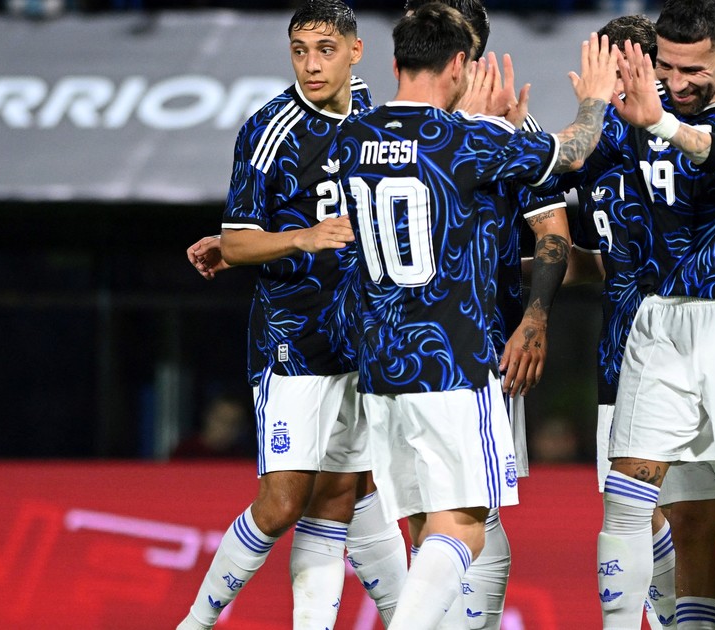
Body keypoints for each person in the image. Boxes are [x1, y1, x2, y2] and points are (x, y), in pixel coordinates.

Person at [328, 6, 619, 627]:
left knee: (425, 525)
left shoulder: (351, 136)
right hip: (453, 360)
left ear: (396, 61)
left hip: (380, 362)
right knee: (465, 527)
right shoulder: (467, 139)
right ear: (459, 63)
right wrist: (594, 99)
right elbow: (574, 151)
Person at [534, 1, 715, 626]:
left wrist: (661, 123)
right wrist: (533, 118)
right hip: (661, 321)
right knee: (627, 500)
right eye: (667, 66)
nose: (678, 81)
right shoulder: (642, 106)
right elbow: (568, 161)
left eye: (693, 69)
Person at [176, 2, 407, 628]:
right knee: (282, 504)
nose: (311, 64)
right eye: (300, 51)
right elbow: (237, 242)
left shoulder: (375, 117)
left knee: (344, 494)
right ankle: (194, 623)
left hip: (362, 337)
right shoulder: (268, 129)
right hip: (294, 339)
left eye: (325, 50)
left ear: (355, 52)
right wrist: (303, 237)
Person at [399, 2, 574, 627]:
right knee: (420, 511)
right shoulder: (393, 129)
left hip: (480, 346)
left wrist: (534, 320)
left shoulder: (510, 130)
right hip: (398, 348)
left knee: (476, 507)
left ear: (468, 48)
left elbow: (553, 233)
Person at [170, 394, 254, 460]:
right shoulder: (185, 452)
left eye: (233, 423)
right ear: (207, 417)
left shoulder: (241, 459)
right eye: (221, 419)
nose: (226, 428)